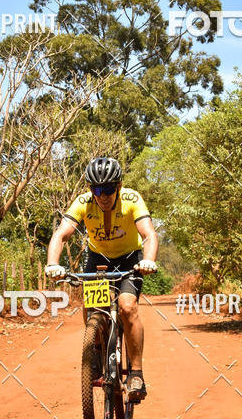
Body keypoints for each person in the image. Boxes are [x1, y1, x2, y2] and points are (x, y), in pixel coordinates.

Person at [45, 156, 158, 401]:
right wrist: (53, 264)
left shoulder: (132, 199)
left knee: (127, 307)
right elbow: (61, 234)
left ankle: (136, 373)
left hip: (129, 259)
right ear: (90, 189)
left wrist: (148, 260)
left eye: (108, 189)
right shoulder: (83, 202)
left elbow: (148, 234)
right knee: (93, 307)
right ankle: (96, 354)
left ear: (118, 187)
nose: (102, 196)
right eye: (97, 189)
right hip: (98, 259)